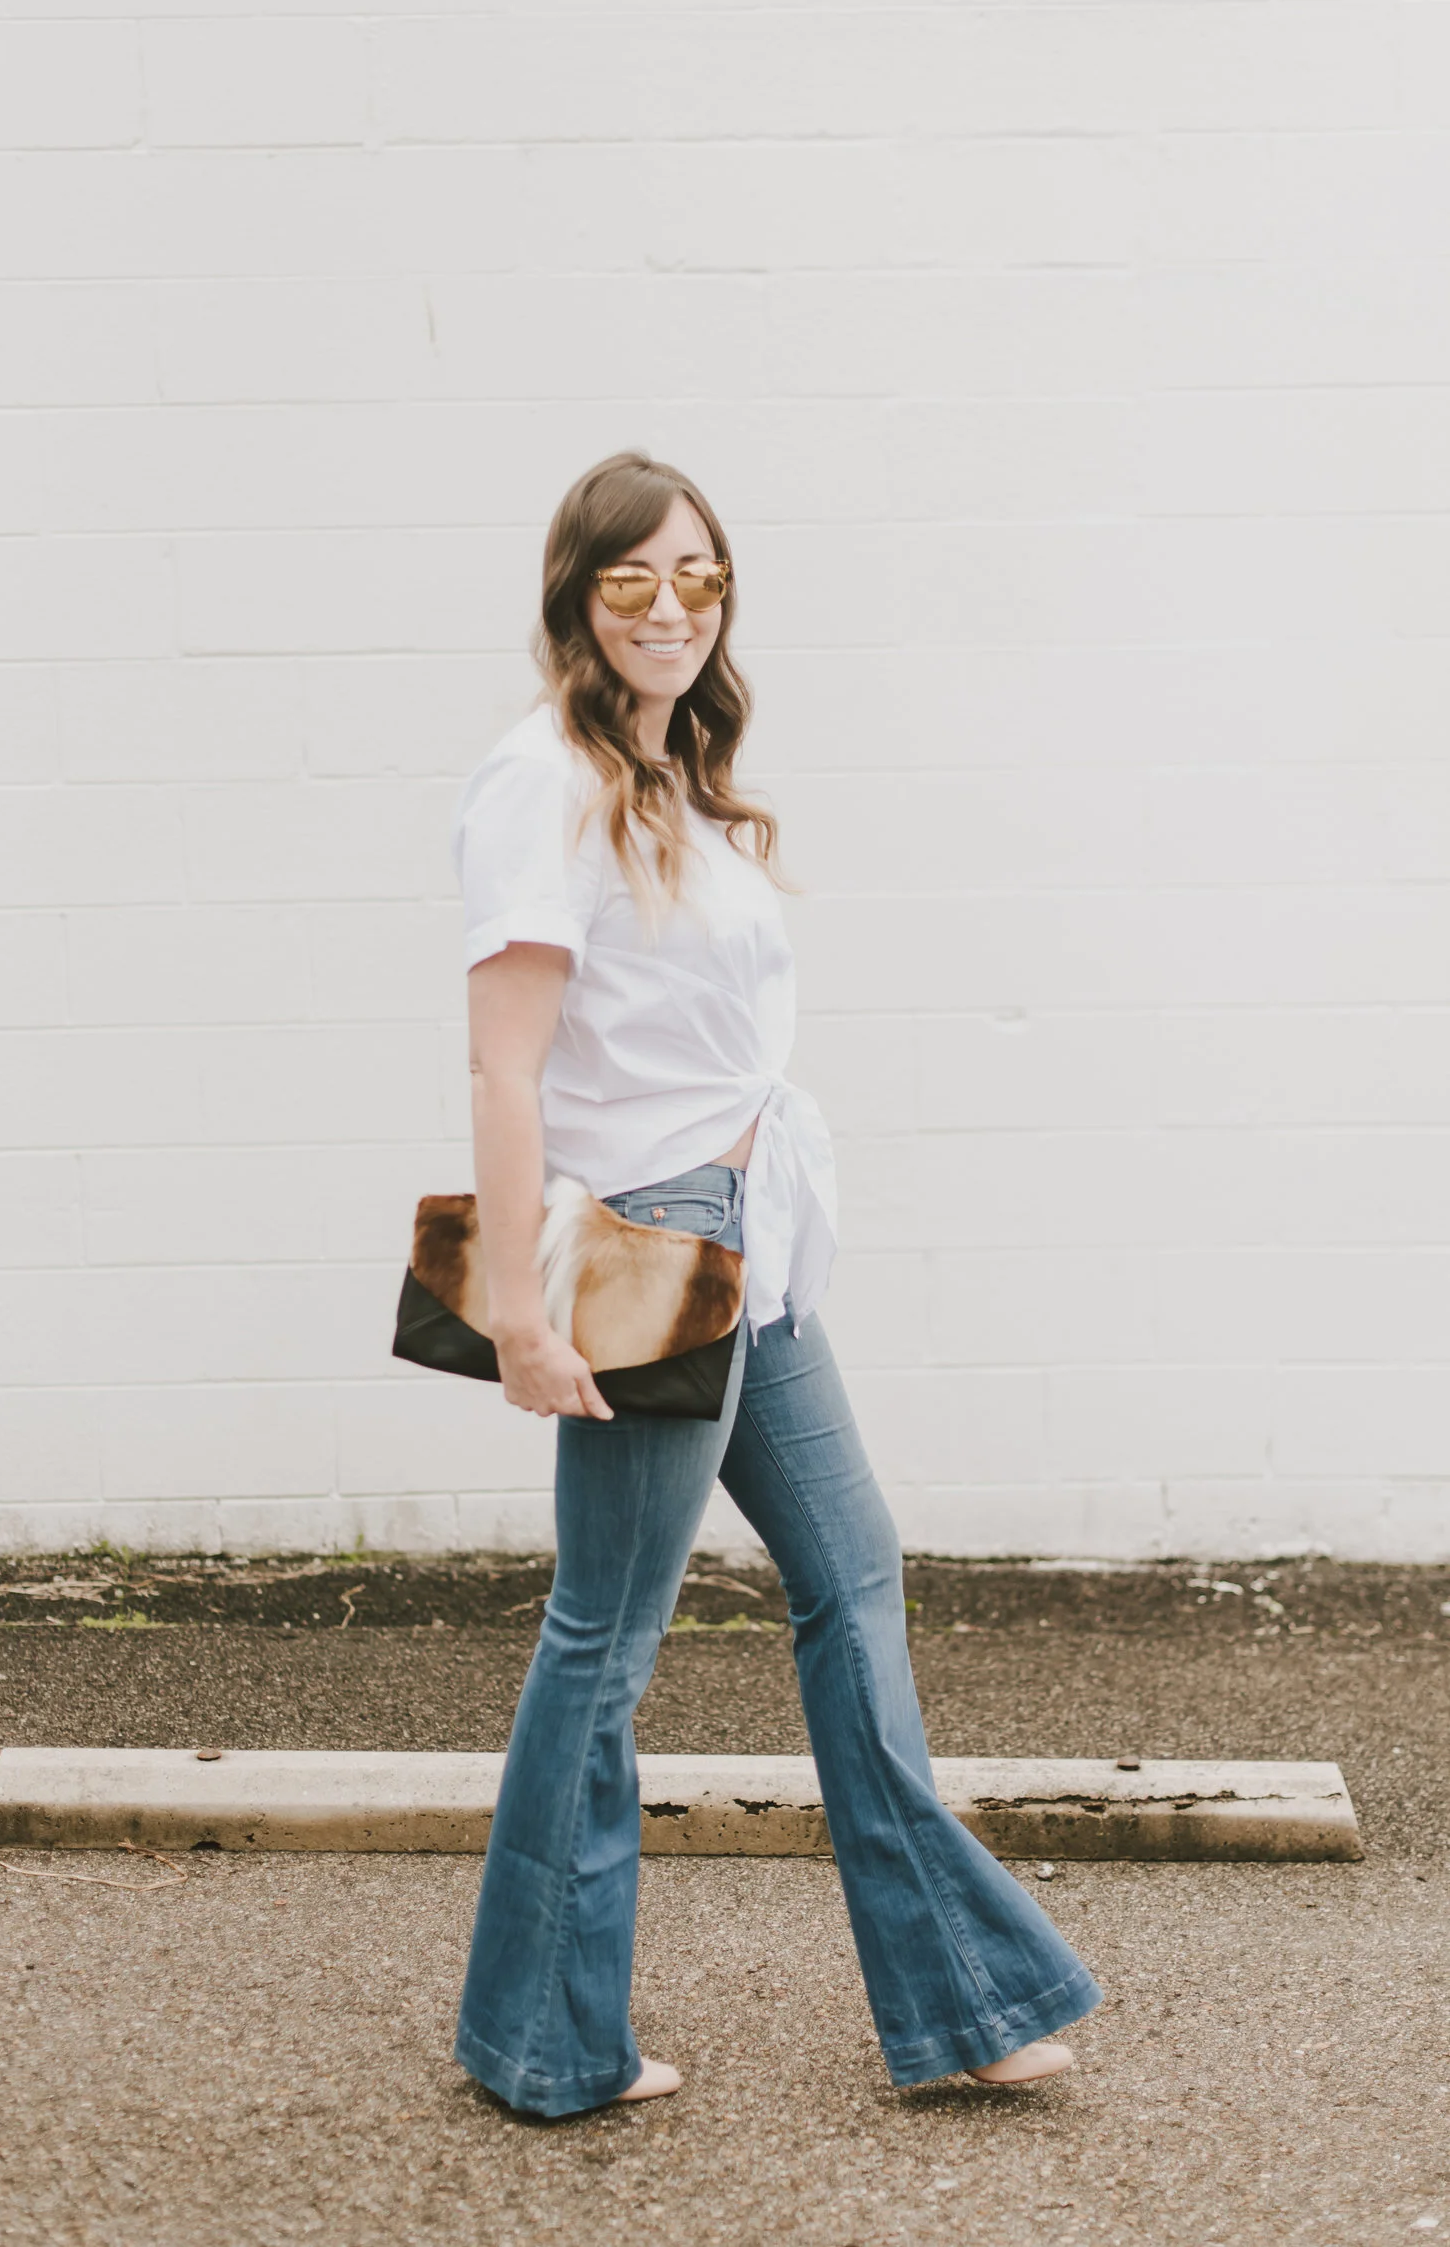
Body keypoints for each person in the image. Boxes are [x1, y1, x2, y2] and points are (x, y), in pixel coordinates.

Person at [449, 451, 1102, 2118]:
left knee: (851, 1573)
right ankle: (543, 2040)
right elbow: (506, 1069)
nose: (672, 608)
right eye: (634, 581)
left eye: (699, 577)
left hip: (755, 1229)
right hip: (651, 1248)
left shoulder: (663, 776)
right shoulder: (545, 782)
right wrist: (524, 1313)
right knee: (604, 1635)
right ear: (574, 599)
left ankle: (960, 2000)